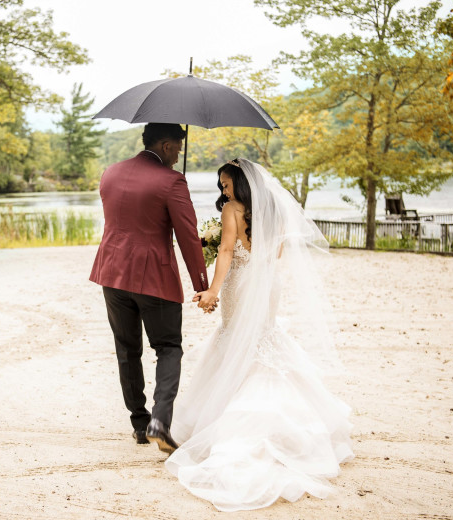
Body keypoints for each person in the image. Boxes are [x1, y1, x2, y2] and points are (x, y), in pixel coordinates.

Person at [165, 158, 354, 512]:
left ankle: (232, 418)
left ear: (239, 183)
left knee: (234, 337)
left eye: (225, 184)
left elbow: (225, 251)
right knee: (265, 336)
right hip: (267, 282)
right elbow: (278, 252)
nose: (223, 191)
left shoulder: (233, 211)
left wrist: (212, 290)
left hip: (241, 282)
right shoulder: (275, 208)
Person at [89, 123, 210, 454]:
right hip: (153, 277)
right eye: (179, 149)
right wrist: (203, 284)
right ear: (167, 145)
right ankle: (160, 421)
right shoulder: (172, 181)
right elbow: (187, 235)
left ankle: (140, 425)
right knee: (168, 347)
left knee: (127, 349)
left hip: (111, 272)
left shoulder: (110, 173)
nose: (179, 156)